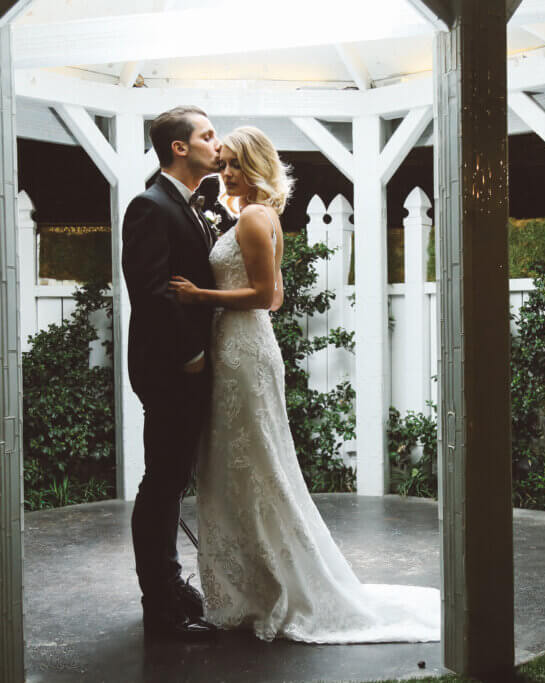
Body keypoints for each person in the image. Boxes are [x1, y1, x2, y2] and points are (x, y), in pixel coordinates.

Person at [168, 126, 440, 643]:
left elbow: (266, 295)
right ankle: (256, 585)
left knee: (250, 466)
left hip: (242, 351)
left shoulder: (251, 216)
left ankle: (263, 590)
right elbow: (276, 296)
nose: (226, 173)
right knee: (244, 466)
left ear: (257, 166)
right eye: (223, 163)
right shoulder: (260, 214)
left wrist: (201, 296)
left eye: (235, 165)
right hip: (245, 347)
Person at [121, 105, 230, 642]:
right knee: (162, 484)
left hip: (190, 364)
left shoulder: (191, 204)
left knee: (173, 479)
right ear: (179, 148)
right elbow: (152, 290)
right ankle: (161, 605)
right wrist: (189, 354)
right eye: (208, 135)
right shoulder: (150, 205)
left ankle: (171, 589)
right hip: (169, 367)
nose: (218, 142)